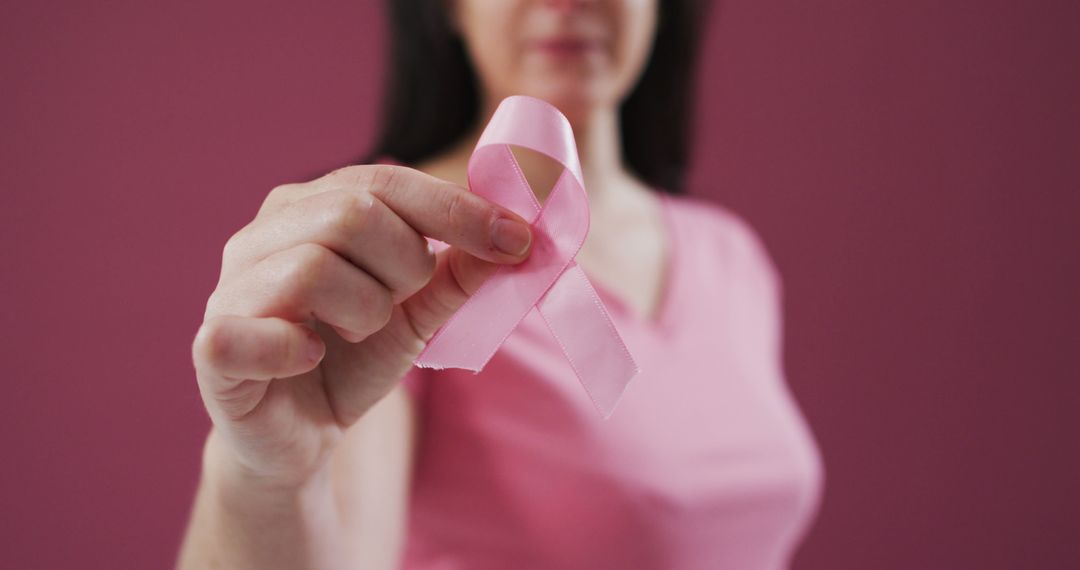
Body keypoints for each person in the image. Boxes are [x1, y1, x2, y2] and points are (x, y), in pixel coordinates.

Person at [178, 0, 824, 568]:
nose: (567, 2)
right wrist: (271, 478)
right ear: (451, 7)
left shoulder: (730, 254)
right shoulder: (384, 256)